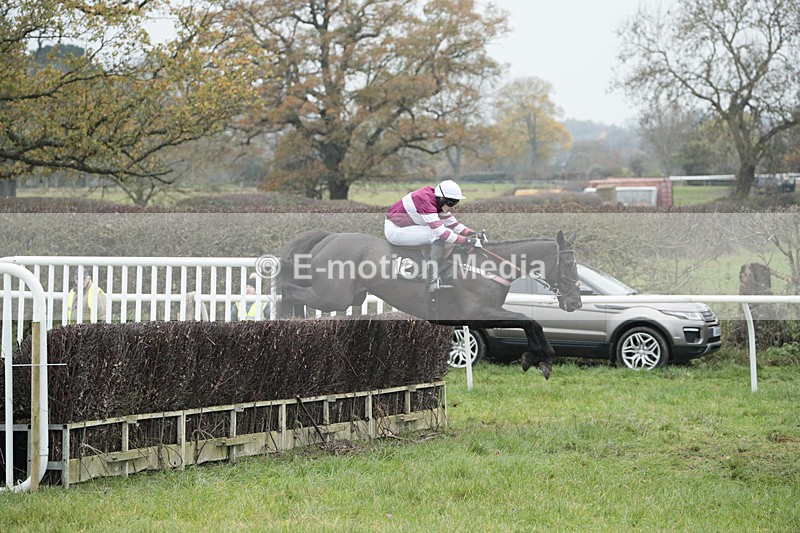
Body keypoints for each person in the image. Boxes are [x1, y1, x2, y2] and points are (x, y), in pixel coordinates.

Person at [385, 179, 479, 292]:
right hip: (395, 230)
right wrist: (466, 241)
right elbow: (442, 233)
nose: (453, 207)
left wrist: (472, 233)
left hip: (405, 226)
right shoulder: (426, 202)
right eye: (451, 203)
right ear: (442, 198)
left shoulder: (436, 200)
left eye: (456, 202)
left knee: (444, 232)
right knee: (436, 235)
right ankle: (432, 279)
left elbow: (453, 223)